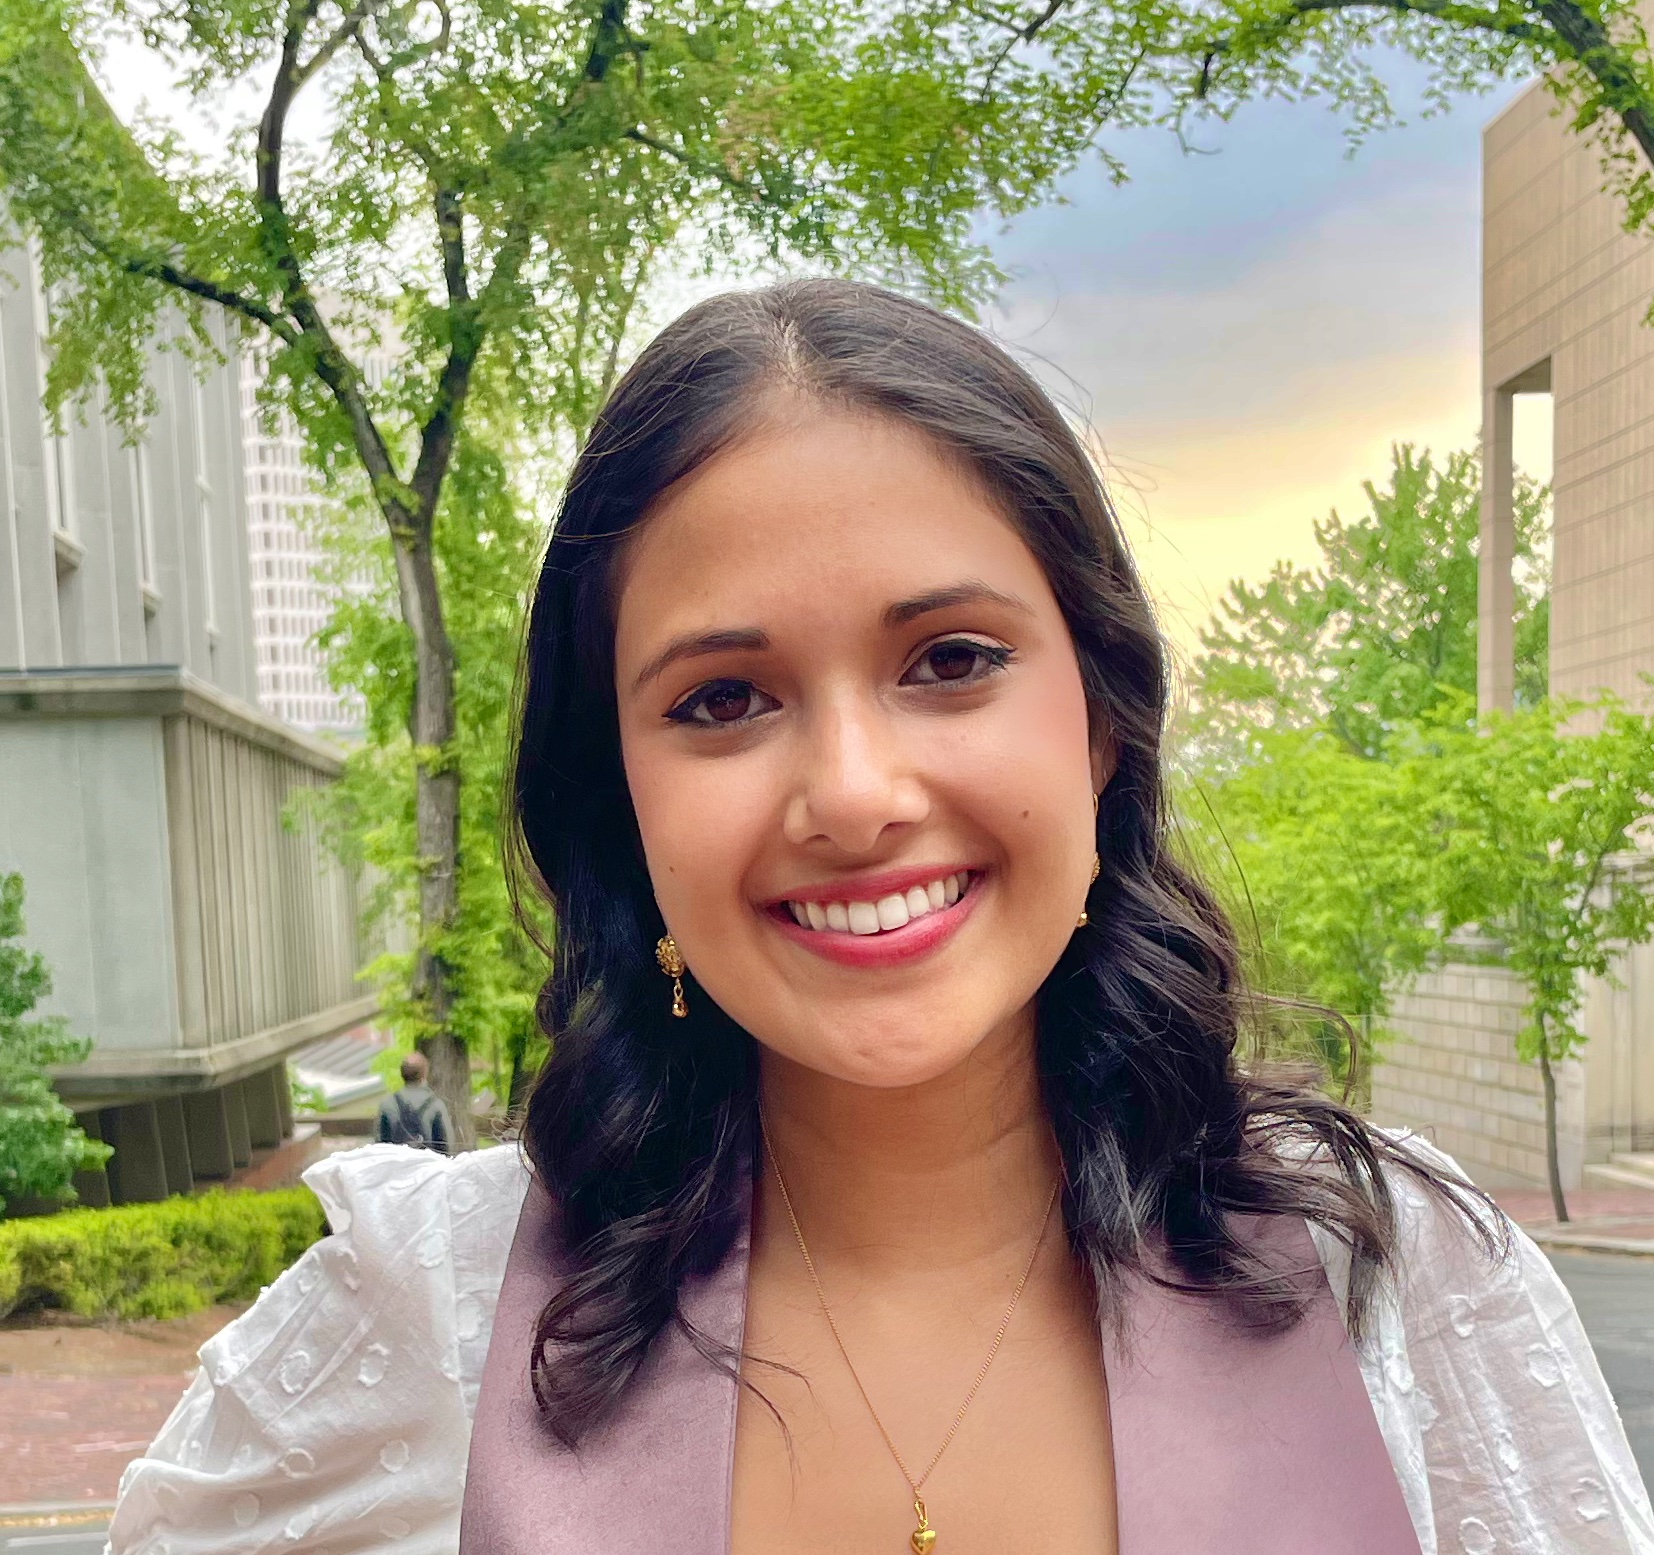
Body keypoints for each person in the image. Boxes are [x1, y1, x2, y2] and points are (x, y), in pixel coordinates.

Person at [106, 280, 1653, 1555]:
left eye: (950, 659)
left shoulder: (1396, 1281)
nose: (852, 793)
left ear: (1101, 720)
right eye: (723, 697)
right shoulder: (427, 1319)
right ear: (620, 801)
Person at [375, 1050, 453, 1154]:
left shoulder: (387, 1104)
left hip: (397, 1162)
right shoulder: (435, 1105)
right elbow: (446, 1145)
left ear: (402, 1074)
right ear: (424, 1073)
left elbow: (380, 1144)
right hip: (427, 1163)